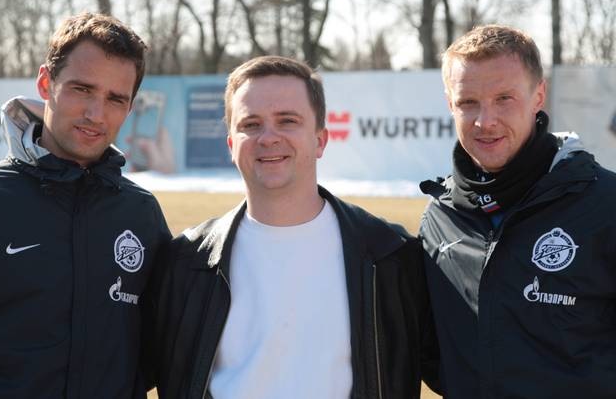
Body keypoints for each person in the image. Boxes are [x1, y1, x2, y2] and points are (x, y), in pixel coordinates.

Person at [145, 55, 439, 399]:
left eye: (287, 121)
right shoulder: (186, 262)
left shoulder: (391, 256)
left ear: (320, 140)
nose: (268, 137)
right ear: (231, 145)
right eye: (251, 124)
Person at [0, 12, 171, 398]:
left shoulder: (142, 214)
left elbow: (159, 350)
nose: (95, 114)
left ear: (130, 107)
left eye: (115, 99)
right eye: (82, 89)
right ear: (45, 83)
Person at [419, 24, 616, 398]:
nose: (485, 121)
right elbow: (434, 356)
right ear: (450, 104)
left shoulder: (605, 205)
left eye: (504, 98)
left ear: (538, 95)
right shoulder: (439, 219)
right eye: (468, 102)